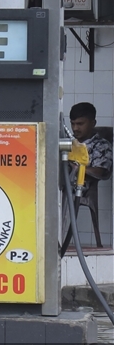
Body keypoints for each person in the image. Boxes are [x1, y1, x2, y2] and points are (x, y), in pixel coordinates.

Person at [63, 102, 112, 250]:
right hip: (59, 184)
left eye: (80, 124)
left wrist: (78, 169)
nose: (75, 128)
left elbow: (101, 172)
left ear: (92, 123)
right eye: (73, 124)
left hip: (80, 188)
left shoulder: (101, 145)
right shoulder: (67, 141)